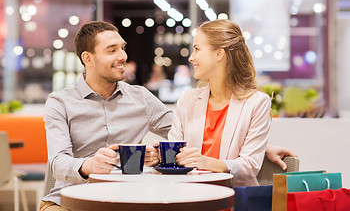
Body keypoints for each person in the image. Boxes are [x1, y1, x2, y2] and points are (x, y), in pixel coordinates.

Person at [40, 21, 172, 210]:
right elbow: (58, 163)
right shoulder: (60, 102)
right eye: (112, 50)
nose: (123, 56)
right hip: (70, 202)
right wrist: (89, 165)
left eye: (123, 48)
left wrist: (160, 153)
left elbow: (181, 133)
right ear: (88, 58)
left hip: (127, 200)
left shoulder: (141, 97)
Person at [168, 19, 272, 186]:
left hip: (234, 199)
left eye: (197, 49)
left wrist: (205, 162)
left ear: (219, 54)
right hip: (190, 196)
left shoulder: (257, 103)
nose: (191, 57)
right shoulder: (188, 100)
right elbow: (175, 156)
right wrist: (159, 155)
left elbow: (250, 166)